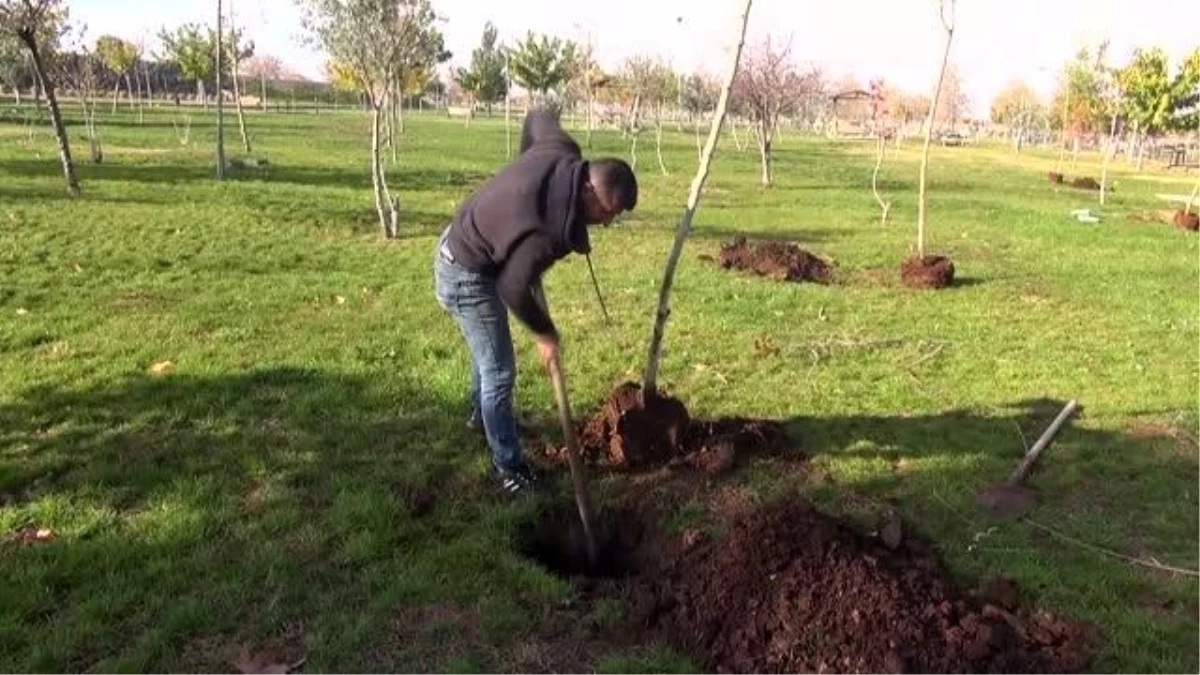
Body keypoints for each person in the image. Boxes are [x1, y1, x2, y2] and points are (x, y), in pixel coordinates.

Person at [433, 107, 638, 496]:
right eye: (607, 213)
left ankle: (484, 418)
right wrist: (545, 334)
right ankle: (509, 470)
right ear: (589, 190)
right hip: (465, 271)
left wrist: (526, 168)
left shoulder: (561, 148)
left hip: (475, 242)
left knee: (489, 352)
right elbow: (513, 288)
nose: (608, 222)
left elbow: (537, 117)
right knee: (499, 371)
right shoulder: (549, 231)